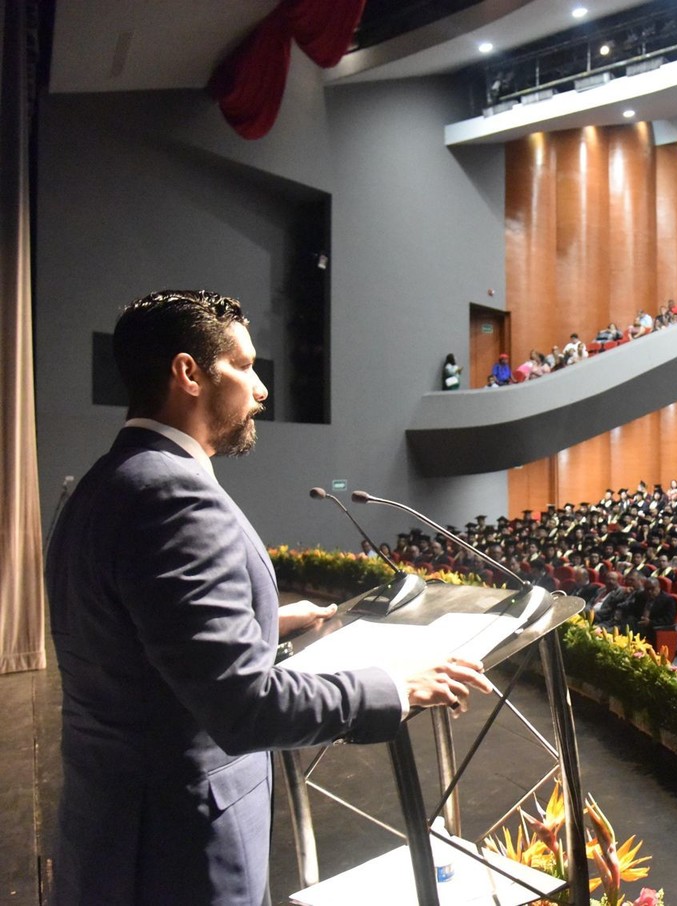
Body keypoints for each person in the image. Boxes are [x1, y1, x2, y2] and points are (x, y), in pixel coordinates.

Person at [45, 290, 491, 905]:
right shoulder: (175, 500)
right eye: (246, 366)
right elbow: (242, 706)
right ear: (189, 373)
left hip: (114, 833)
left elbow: (127, 636)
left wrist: (264, 621)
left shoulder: (103, 483)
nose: (261, 390)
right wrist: (390, 684)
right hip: (175, 852)